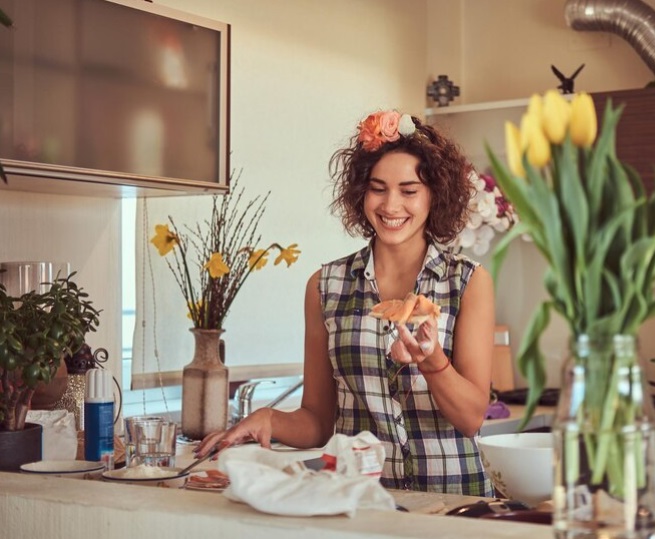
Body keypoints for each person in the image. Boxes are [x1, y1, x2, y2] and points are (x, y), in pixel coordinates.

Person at [195, 109, 496, 496]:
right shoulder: (326, 286)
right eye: (378, 188)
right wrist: (267, 419)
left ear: (434, 195)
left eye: (408, 191)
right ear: (361, 192)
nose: (391, 205)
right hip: (362, 503)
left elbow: (472, 418)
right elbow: (319, 421)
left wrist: (433, 362)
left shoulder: (467, 281)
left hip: (455, 505)